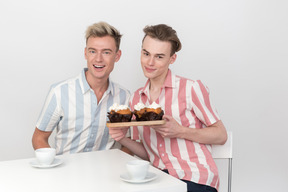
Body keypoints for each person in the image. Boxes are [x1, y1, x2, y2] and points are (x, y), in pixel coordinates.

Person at [109, 24, 227, 192]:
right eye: (146, 54)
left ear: (172, 59)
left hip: (195, 178)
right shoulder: (136, 99)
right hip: (160, 181)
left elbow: (221, 135)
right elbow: (148, 153)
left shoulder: (190, 88)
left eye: (159, 57)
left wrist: (179, 131)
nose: (150, 62)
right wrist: (122, 138)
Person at [32, 21, 131, 155]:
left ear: (117, 56)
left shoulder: (125, 97)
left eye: (106, 52)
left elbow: (129, 143)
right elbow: (39, 138)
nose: (98, 59)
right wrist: (52, 165)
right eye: (92, 51)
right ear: (86, 53)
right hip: (66, 173)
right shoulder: (60, 92)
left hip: (106, 173)